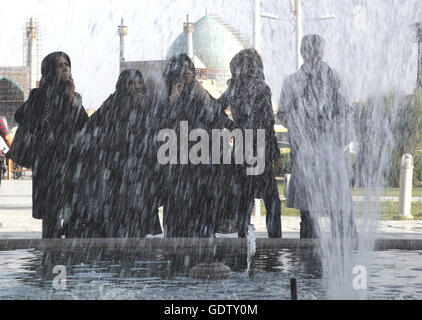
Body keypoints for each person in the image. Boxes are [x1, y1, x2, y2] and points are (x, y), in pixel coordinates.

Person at [66, 68, 162, 238]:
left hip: (140, 174)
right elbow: (92, 126)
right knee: (117, 222)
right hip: (116, 173)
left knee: (137, 221)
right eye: (132, 83)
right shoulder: (113, 103)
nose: (137, 87)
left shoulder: (148, 106)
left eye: (140, 83)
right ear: (124, 86)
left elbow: (155, 133)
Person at [277, 34, 357, 239]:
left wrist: (336, 136)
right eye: (312, 50)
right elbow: (284, 114)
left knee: (339, 208)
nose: (316, 54)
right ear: (304, 52)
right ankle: (308, 257)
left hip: (329, 151)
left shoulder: (333, 78)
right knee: (309, 212)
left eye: (318, 50)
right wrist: (302, 129)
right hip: (308, 152)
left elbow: (346, 112)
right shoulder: (293, 82)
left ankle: (344, 250)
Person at [14, 51, 88, 238]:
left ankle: (70, 260)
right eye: (59, 65)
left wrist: (70, 97)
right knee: (52, 218)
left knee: (75, 216)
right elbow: (20, 116)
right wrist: (43, 130)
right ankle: (50, 260)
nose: (65, 68)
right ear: (49, 70)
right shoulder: (39, 95)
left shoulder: (75, 96)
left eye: (66, 64)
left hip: (71, 163)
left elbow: (84, 125)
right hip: (48, 165)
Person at [160, 54, 233, 238]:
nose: (187, 71)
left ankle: (204, 246)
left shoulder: (198, 91)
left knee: (201, 207)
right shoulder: (166, 93)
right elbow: (160, 123)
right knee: (177, 208)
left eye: (189, 67)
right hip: (177, 160)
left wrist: (234, 127)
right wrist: (172, 100)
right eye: (182, 68)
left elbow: (215, 114)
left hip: (199, 161)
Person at [218, 48, 282, 238]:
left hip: (243, 147)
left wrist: (233, 126)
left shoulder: (234, 88)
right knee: (271, 202)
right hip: (259, 147)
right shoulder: (261, 88)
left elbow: (215, 110)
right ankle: (274, 245)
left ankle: (242, 240)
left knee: (245, 200)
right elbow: (268, 124)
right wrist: (276, 156)